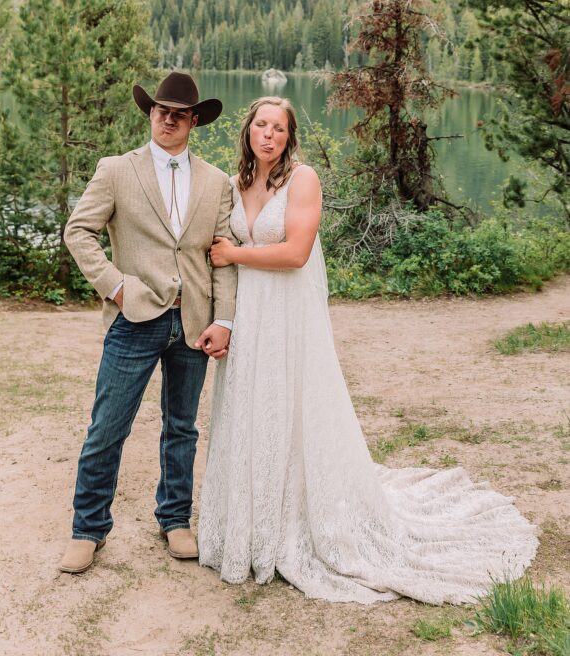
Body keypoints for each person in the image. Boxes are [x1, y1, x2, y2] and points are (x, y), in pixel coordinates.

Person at [198, 96, 537, 604]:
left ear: (290, 137)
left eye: (279, 128)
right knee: (252, 409)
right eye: (261, 125)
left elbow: (296, 253)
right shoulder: (234, 183)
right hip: (250, 317)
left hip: (287, 315)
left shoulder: (302, 179)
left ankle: (295, 521)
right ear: (248, 131)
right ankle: (249, 521)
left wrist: (235, 253)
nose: (269, 135)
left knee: (290, 409)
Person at [59, 72, 236, 574]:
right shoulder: (117, 170)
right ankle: (87, 529)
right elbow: (78, 231)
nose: (168, 120)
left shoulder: (217, 181)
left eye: (179, 114)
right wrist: (116, 286)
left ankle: (175, 520)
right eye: (161, 111)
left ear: (194, 121)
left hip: (194, 321)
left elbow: (222, 256)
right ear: (151, 113)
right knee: (107, 428)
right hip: (134, 317)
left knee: (182, 428)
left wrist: (224, 318)